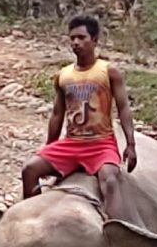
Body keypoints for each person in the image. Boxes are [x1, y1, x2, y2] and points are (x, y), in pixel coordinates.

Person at [21, 14, 137, 220]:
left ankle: (117, 231)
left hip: (101, 143)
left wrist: (130, 144)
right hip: (72, 142)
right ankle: (29, 218)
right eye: (72, 38)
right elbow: (58, 113)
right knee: (30, 169)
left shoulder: (108, 71)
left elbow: (123, 107)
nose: (76, 43)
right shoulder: (64, 75)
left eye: (81, 38)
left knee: (110, 180)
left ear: (95, 40)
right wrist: (49, 146)